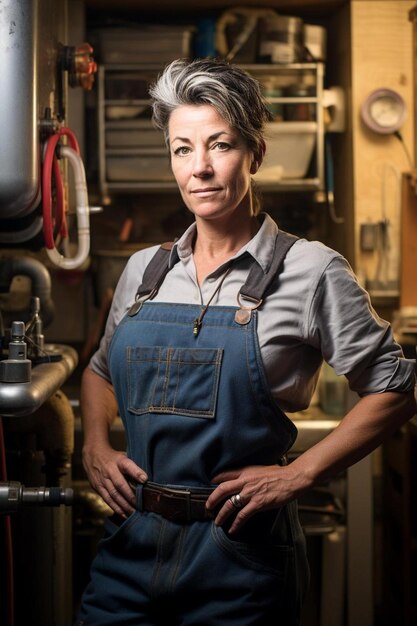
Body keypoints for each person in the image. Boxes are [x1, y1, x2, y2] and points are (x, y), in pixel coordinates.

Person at [77, 58, 416, 626]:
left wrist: (299, 473)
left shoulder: (312, 270)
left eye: (220, 145)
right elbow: (99, 370)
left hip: (239, 555)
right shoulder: (144, 270)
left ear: (256, 154)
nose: (200, 169)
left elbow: (396, 386)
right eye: (183, 149)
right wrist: (93, 444)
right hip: (128, 547)